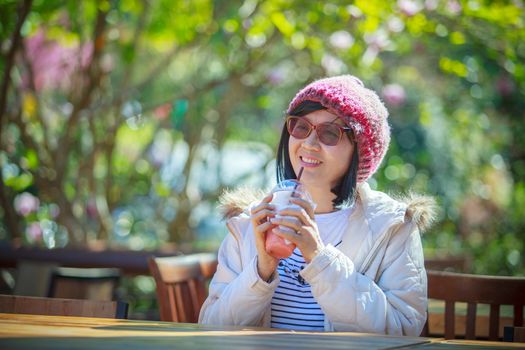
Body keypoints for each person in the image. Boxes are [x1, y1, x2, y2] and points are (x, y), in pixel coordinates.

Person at [199, 75, 436, 336]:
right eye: (300, 127)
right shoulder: (249, 223)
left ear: (360, 152)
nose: (309, 144)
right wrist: (261, 271)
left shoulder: (391, 227)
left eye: (330, 133)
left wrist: (319, 258)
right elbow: (210, 326)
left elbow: (402, 330)